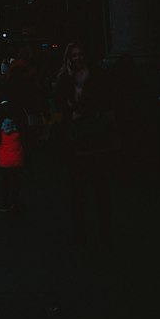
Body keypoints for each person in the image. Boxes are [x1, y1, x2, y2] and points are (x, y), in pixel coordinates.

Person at [55, 41, 116, 245]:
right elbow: (59, 107)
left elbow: (107, 103)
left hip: (96, 140)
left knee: (101, 191)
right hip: (75, 142)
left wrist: (81, 112)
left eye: (80, 54)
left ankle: (105, 233)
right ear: (68, 58)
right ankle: (80, 234)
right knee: (78, 192)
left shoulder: (97, 76)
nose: (77, 58)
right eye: (73, 55)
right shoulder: (65, 79)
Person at [0, 98, 25, 212]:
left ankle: (4, 203)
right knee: (16, 182)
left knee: (5, 183)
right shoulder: (18, 125)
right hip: (17, 159)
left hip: (3, 160)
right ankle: (14, 202)